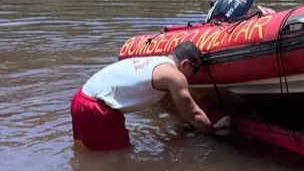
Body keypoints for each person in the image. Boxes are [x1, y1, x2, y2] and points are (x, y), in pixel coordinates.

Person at [70, 42, 218, 151]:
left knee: (86, 152)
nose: (194, 76)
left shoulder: (157, 63)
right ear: (186, 64)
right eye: (196, 70)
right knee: (119, 159)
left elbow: (170, 107)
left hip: (80, 98)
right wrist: (214, 131)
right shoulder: (175, 76)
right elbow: (194, 113)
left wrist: (185, 129)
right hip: (98, 109)